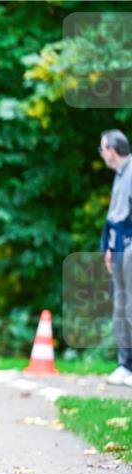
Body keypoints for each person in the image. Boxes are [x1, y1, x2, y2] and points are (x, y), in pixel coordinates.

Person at [98, 129, 132, 387]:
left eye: (102, 149)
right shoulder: (120, 175)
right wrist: (109, 248)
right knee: (120, 308)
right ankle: (125, 365)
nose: (101, 154)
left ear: (112, 149)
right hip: (120, 249)